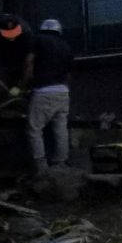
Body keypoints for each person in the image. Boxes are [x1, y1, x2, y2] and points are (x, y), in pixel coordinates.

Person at [25, 19, 76, 174]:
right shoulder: (66, 46)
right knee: (60, 128)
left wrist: (25, 83)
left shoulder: (37, 40)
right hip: (63, 92)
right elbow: (69, 74)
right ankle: (61, 163)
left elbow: (29, 62)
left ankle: (41, 167)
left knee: (34, 129)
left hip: (43, 91)